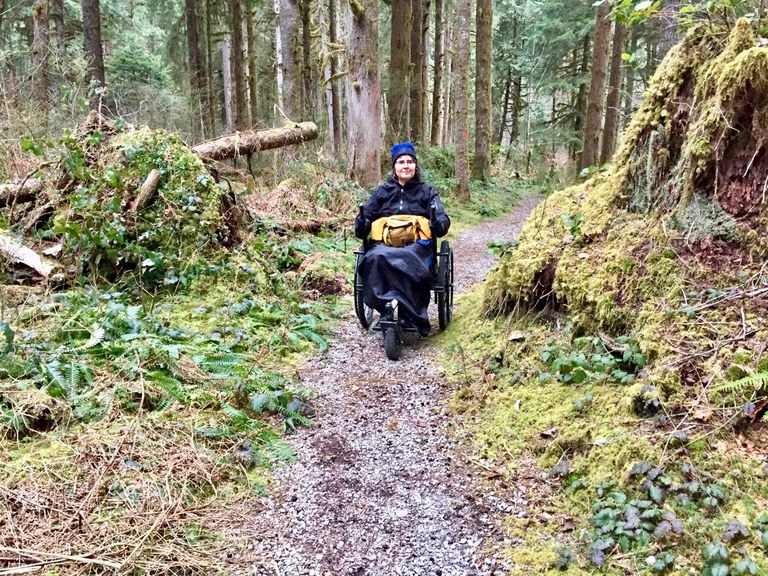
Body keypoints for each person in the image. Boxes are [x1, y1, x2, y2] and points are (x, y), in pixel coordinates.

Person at [354, 142, 451, 337]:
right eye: (401, 162)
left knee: (409, 259)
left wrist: (437, 224)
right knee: (375, 257)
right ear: (394, 167)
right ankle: (384, 307)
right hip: (384, 244)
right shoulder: (383, 192)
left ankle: (410, 314)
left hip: (416, 246)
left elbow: (442, 218)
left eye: (409, 162)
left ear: (416, 166)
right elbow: (366, 216)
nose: (405, 166)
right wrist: (362, 223)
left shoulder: (427, 191)